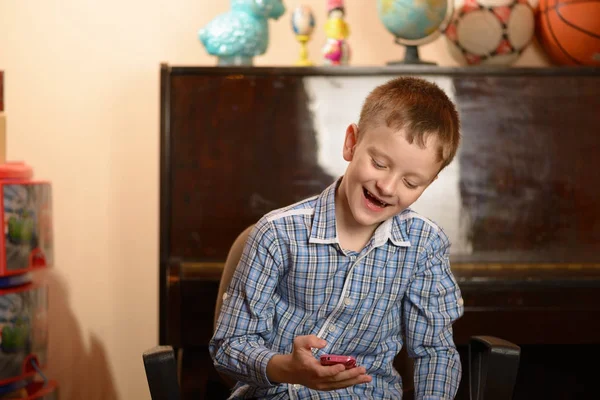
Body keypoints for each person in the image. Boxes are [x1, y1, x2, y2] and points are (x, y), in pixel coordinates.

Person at [209, 76, 465, 399]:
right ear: (351, 143)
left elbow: (435, 353)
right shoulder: (276, 235)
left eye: (411, 183)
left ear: (430, 182)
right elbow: (229, 346)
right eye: (379, 163)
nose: (387, 187)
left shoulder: (425, 247)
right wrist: (287, 367)